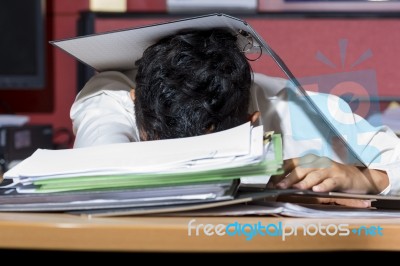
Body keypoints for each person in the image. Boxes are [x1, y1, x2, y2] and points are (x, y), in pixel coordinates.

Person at [70, 28, 400, 198]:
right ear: (134, 105)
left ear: (252, 123)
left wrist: (371, 178)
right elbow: (92, 171)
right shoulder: (109, 98)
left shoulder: (301, 111)